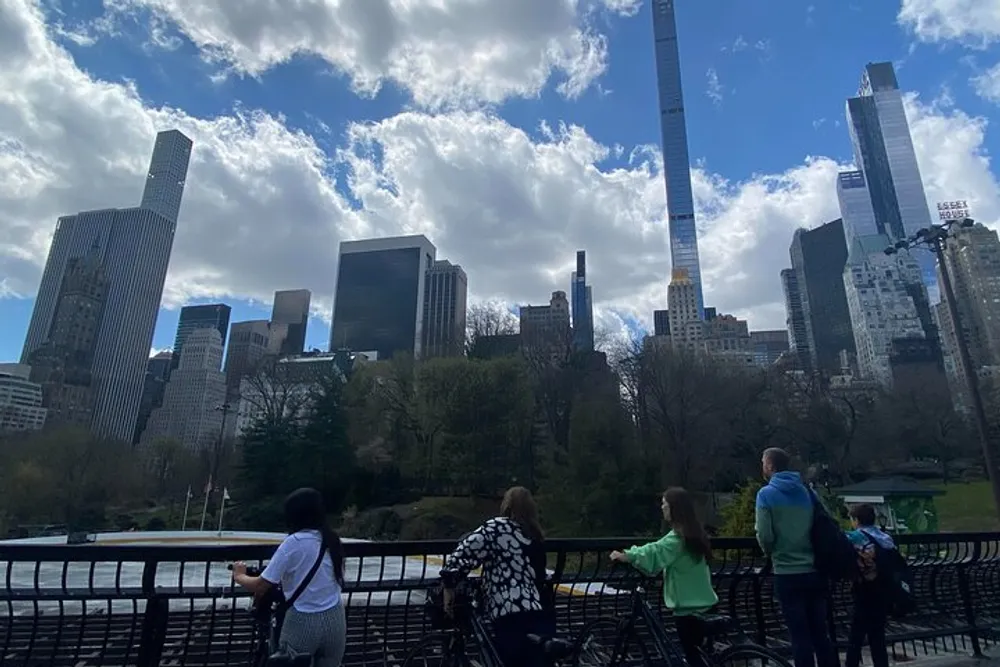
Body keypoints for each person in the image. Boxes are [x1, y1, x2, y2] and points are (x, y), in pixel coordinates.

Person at [440, 486, 554, 667]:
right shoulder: (534, 534)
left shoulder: (497, 528)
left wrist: (449, 584)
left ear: (506, 505)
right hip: (539, 610)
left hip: (508, 610)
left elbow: (465, 553)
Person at [233, 488, 347, 667]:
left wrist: (239, 575)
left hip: (303, 621)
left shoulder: (294, 543)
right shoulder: (332, 540)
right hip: (335, 619)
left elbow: (261, 586)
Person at [610, 487, 718, 667]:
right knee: (702, 657)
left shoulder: (677, 539)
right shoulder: (695, 535)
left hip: (688, 610)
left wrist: (627, 555)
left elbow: (655, 551)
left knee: (693, 658)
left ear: (674, 509)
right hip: (707, 604)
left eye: (664, 504)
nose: (662, 508)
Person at [754, 448, 836, 667]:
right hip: (814, 569)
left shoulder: (766, 494)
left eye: (763, 462)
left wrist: (769, 551)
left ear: (770, 466)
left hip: (787, 572)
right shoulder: (807, 492)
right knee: (821, 633)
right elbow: (825, 523)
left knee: (799, 636)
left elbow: (765, 535)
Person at [845, 504, 894, 667]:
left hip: (863, 588)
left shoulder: (854, 537)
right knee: (877, 634)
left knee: (856, 635)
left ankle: (851, 664)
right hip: (883, 589)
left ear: (856, 520)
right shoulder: (885, 537)